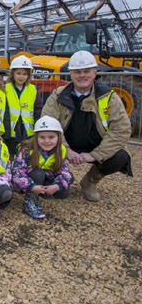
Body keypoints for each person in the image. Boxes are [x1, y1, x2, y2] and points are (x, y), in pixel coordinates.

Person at [41, 50, 132, 202]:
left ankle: (90, 181)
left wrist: (95, 155)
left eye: (86, 71)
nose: (82, 75)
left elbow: (121, 130)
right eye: (77, 71)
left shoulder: (108, 97)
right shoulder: (58, 95)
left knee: (120, 156)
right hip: (65, 144)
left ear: (94, 73)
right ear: (71, 74)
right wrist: (65, 149)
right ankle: (57, 177)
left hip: (95, 146)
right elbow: (46, 123)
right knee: (39, 146)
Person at [12, 116, 73, 220]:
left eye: (51, 137)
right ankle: (29, 200)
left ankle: (44, 192)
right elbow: (17, 172)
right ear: (36, 137)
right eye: (42, 137)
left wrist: (56, 186)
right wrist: (31, 187)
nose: (47, 141)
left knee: (64, 192)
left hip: (46, 177)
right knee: (38, 173)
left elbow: (66, 172)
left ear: (58, 137)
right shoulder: (27, 150)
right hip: (27, 181)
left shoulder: (61, 150)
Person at [4, 55, 42, 158]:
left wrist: (38, 127)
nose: (21, 76)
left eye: (24, 74)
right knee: (10, 155)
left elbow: (38, 109)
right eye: (18, 73)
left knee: (26, 156)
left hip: (27, 130)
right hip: (11, 130)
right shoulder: (5, 89)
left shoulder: (33, 90)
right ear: (13, 74)